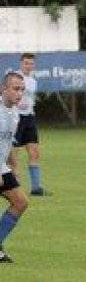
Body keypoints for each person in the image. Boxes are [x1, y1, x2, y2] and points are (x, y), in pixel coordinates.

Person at [0, 72, 29, 262]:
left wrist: (13, 167)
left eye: (22, 90)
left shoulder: (15, 113)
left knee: (21, 202)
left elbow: (8, 143)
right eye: (15, 89)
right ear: (4, 89)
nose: (19, 93)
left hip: (2, 166)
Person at [11, 53, 47, 196]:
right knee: (13, 156)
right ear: (21, 63)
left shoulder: (33, 81)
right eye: (26, 63)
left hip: (29, 119)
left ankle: (36, 188)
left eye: (31, 63)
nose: (29, 66)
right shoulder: (14, 79)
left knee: (34, 152)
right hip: (16, 119)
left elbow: (29, 100)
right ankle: (14, 188)